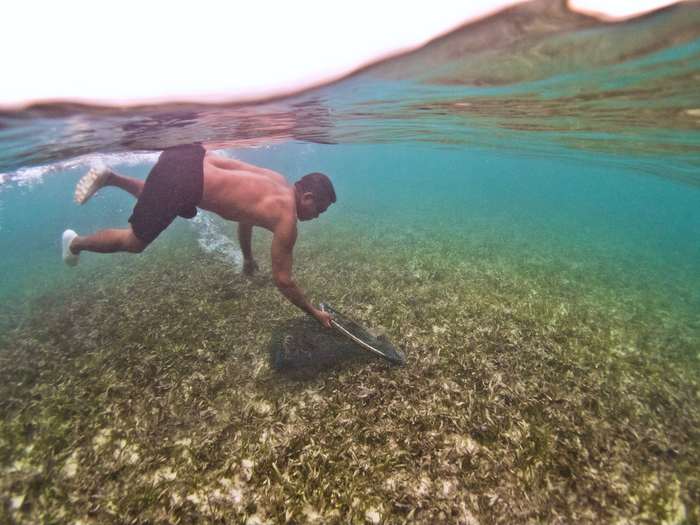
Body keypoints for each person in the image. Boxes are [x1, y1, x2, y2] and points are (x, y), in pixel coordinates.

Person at [62, 144, 336, 328]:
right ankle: (74, 243)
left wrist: (248, 257)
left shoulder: (276, 181)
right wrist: (315, 313)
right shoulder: (287, 220)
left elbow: (246, 218)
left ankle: (110, 177)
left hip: (189, 154)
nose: (318, 215)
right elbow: (283, 281)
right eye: (320, 209)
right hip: (183, 182)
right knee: (132, 243)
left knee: (165, 196)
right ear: (308, 198)